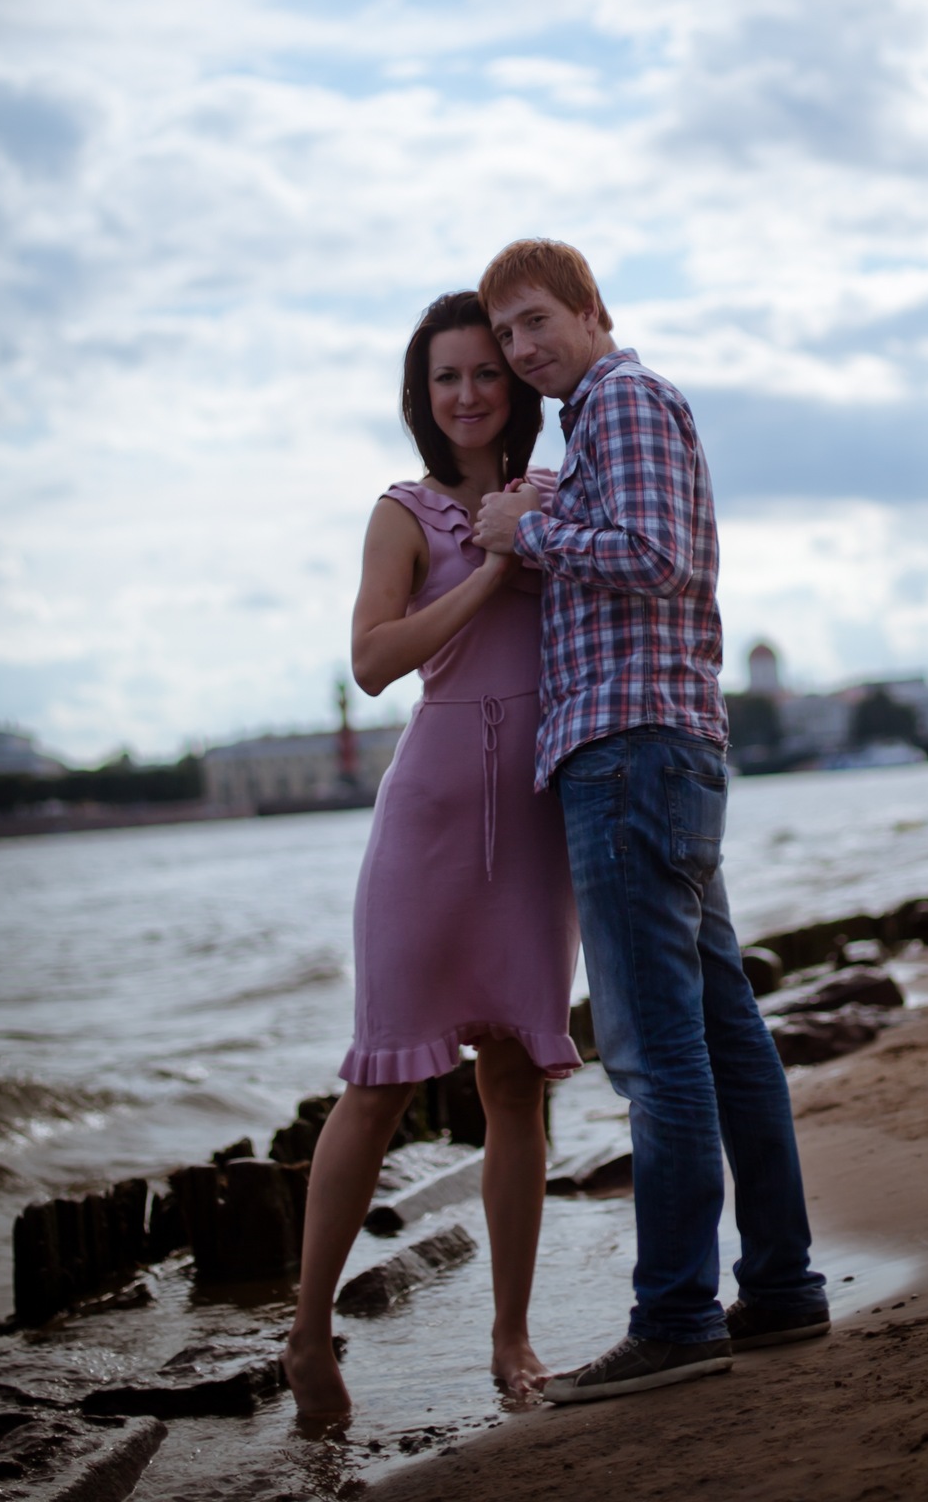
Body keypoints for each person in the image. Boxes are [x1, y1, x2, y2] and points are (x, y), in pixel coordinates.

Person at [472, 239, 827, 1407]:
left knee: (655, 1052)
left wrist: (527, 534)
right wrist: (543, 515)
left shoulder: (621, 397)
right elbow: (627, 555)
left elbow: (657, 556)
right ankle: (781, 1285)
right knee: (725, 1033)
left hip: (629, 754)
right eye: (506, 334)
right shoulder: (601, 421)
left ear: (591, 308)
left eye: (536, 320)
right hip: (661, 753)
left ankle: (676, 1313)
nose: (522, 349)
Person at [283, 293, 580, 1422]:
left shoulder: (553, 495)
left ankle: (511, 1337)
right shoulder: (401, 513)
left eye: (484, 372)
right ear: (422, 395)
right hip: (431, 824)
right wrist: (494, 567)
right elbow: (371, 662)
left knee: (516, 1083)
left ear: (514, 382)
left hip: (537, 823)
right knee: (380, 1081)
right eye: (444, 377)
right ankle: (305, 1335)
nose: (466, 394)